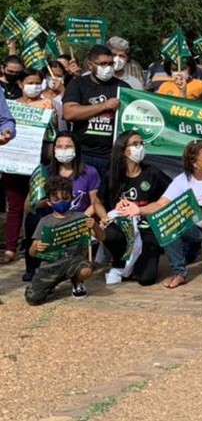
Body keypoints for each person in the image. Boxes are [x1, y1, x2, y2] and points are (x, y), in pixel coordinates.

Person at [135, 140, 202, 288]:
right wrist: (139, 210)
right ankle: (179, 272)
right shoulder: (182, 180)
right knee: (165, 223)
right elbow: (162, 204)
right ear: (194, 163)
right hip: (198, 227)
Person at [94, 130, 170, 286]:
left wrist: (144, 209)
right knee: (110, 232)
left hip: (147, 226)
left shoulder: (152, 173)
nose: (139, 147)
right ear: (123, 150)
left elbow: (168, 198)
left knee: (146, 279)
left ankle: (139, 264)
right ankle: (119, 264)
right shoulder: (113, 175)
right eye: (135, 144)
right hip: (122, 227)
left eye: (141, 143)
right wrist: (104, 217)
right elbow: (97, 202)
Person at [2, 70, 55, 264]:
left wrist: (52, 116)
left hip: (37, 164)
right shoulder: (10, 107)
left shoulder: (48, 106)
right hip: (13, 162)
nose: (34, 86)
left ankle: (36, 246)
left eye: (37, 82)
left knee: (37, 206)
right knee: (15, 207)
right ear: (21, 84)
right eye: (30, 82)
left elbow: (52, 136)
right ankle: (10, 248)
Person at [25, 176, 101, 305]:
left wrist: (94, 225)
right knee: (33, 299)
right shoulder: (45, 221)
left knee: (86, 269)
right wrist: (36, 248)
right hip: (50, 266)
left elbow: (102, 237)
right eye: (56, 199)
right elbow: (32, 252)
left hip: (74, 262)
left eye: (65, 197)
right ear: (49, 202)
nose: (61, 201)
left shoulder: (81, 217)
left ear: (71, 197)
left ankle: (78, 282)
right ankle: (48, 286)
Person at [62, 45, 131, 177]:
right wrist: (103, 106)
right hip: (84, 154)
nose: (108, 68)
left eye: (111, 64)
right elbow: (69, 113)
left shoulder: (123, 87)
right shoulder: (78, 84)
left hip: (112, 155)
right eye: (103, 64)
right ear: (90, 65)